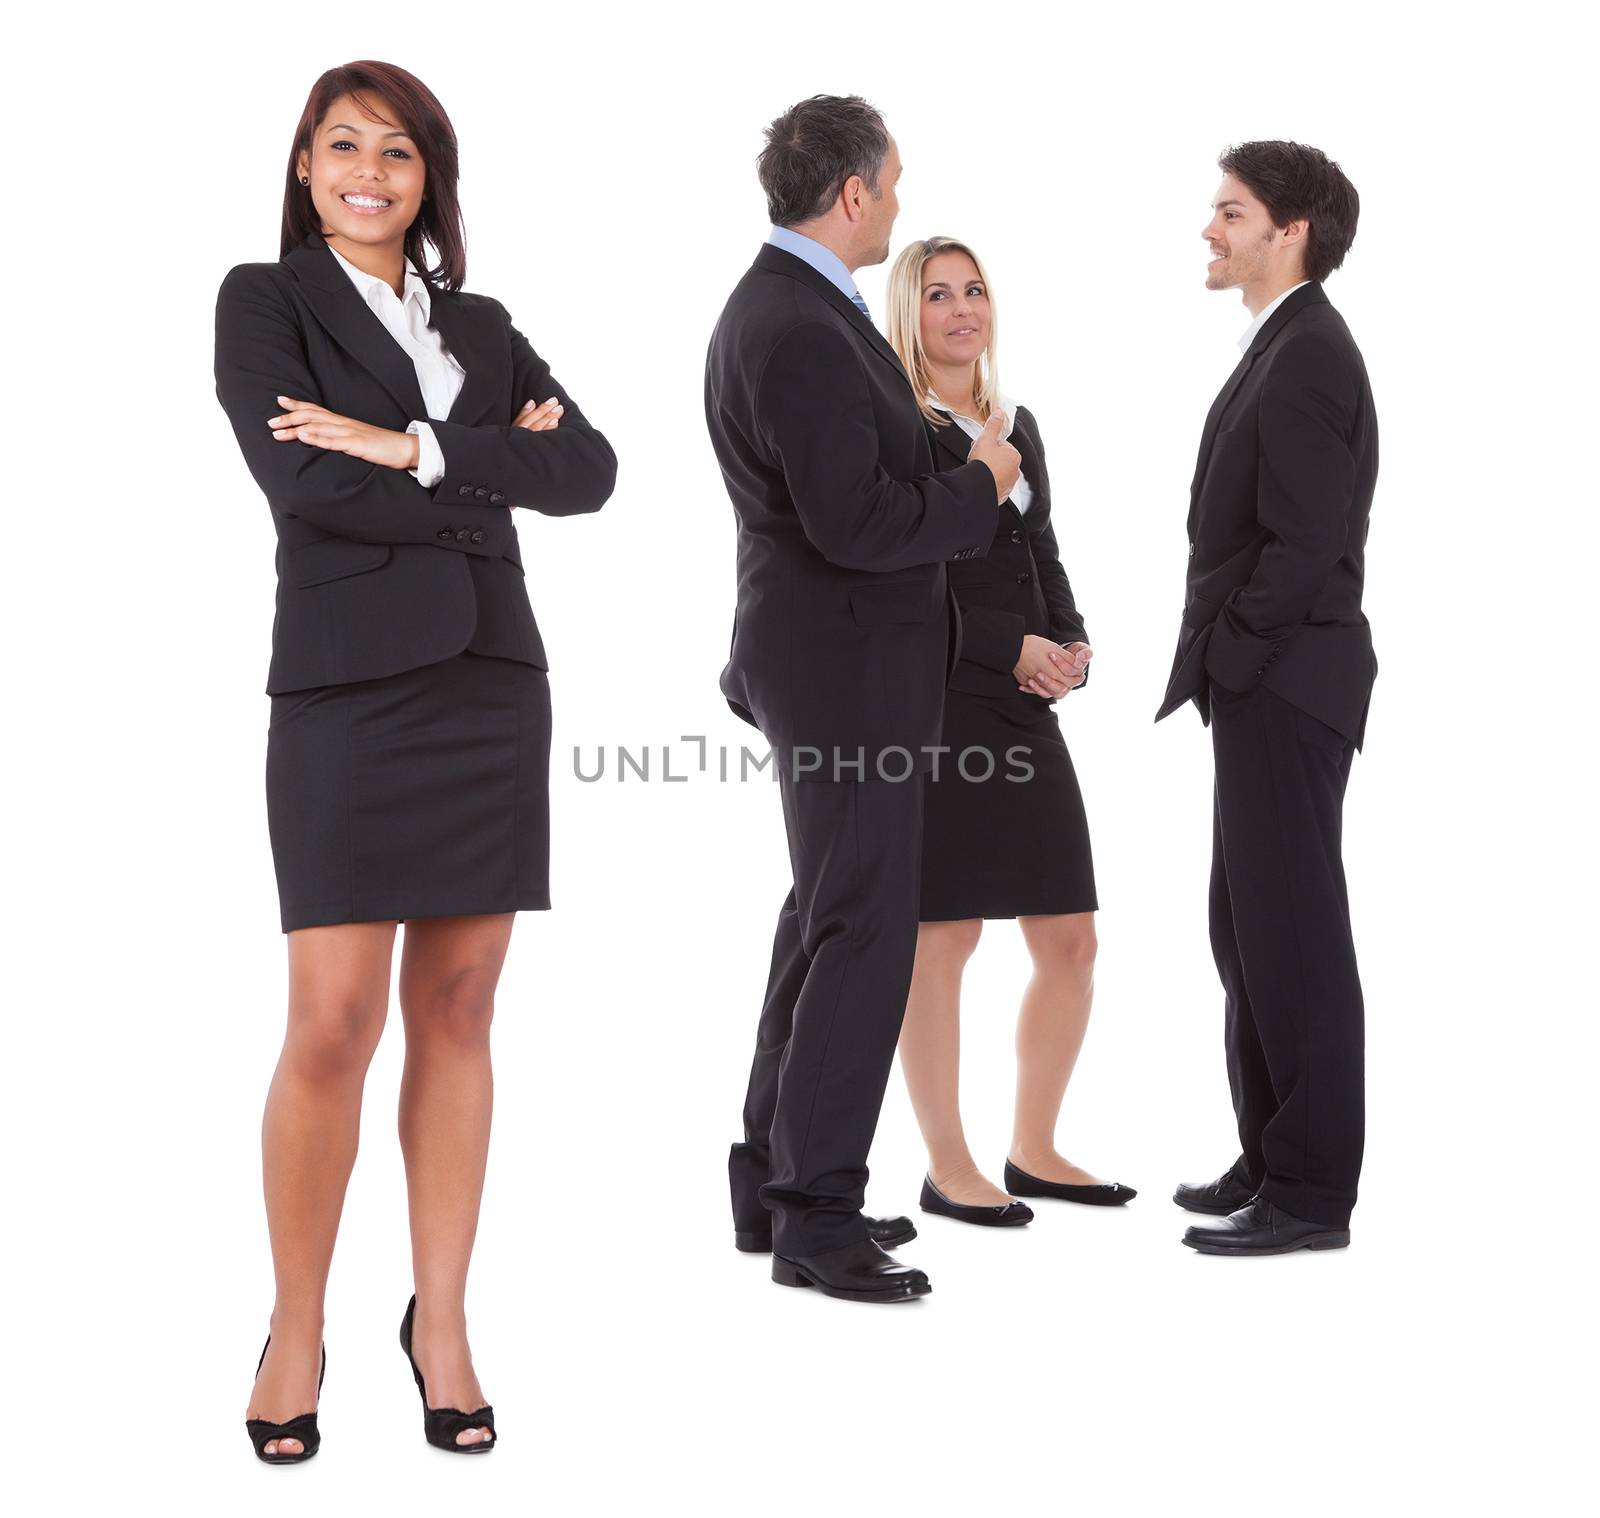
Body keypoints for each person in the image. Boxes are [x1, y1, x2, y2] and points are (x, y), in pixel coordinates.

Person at [214, 60, 616, 1459]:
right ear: (307, 163)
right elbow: (300, 483)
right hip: (342, 691)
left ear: (430, 177)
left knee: (459, 1010)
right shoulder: (264, 302)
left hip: (488, 683)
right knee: (332, 1019)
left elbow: (595, 473)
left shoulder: (486, 323)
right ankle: (298, 1323)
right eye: (343, 144)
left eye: (398, 149)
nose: (369, 169)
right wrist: (481, 457)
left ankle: (440, 1321)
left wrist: (412, 448)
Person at [705, 96, 1016, 1301]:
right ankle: (816, 1216)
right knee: (863, 930)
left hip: (831, 663)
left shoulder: (796, 310)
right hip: (844, 673)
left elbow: (857, 479)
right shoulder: (795, 323)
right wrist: (982, 481)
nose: (894, 200)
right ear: (850, 195)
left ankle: (773, 1181)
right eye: (889, 183)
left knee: (822, 917)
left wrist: (950, 463)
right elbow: (859, 522)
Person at [884, 237, 1133, 1229]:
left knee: (1068, 938)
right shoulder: (898, 426)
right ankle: (949, 1165)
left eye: (973, 290)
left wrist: (1068, 642)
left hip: (1024, 701)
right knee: (943, 936)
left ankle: (1034, 1147)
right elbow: (907, 576)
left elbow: (1040, 547)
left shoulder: (1012, 421)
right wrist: (1007, 644)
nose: (960, 309)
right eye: (937, 293)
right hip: (943, 697)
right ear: (910, 311)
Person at [1155, 141, 1376, 1256]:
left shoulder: (1307, 357)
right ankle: (1271, 1148)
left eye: (1230, 212)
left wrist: (1233, 657)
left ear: (1290, 230)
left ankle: (1308, 1193)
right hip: (1266, 685)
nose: (1210, 229)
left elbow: (1306, 544)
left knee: (1291, 936)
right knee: (1245, 929)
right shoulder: (1283, 345)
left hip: (1286, 680)